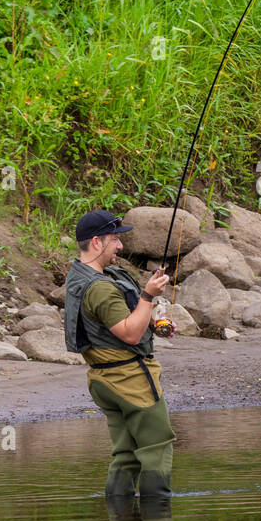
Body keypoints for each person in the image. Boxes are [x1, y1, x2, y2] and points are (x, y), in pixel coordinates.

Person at [63, 210, 175, 497]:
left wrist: (154, 321)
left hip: (102, 380)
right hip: (129, 379)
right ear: (97, 242)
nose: (121, 246)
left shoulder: (80, 274)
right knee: (156, 447)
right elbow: (129, 333)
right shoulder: (99, 287)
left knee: (125, 455)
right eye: (116, 240)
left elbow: (122, 319)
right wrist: (148, 296)